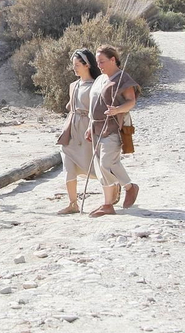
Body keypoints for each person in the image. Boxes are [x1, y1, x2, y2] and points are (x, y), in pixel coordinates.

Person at [86, 45, 140, 216]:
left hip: (113, 127)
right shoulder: (100, 79)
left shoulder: (123, 78)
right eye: (97, 62)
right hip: (96, 127)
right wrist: (89, 126)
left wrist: (117, 110)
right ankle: (107, 204)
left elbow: (131, 102)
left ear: (113, 59)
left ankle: (129, 187)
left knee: (107, 163)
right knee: (100, 167)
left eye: (102, 61)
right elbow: (93, 105)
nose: (99, 65)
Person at [55, 48, 100, 214]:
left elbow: (97, 108)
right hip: (71, 128)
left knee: (94, 164)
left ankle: (114, 187)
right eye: (73, 65)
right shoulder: (73, 85)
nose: (74, 68)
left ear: (86, 65)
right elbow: (70, 105)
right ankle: (73, 203)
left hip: (88, 128)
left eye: (77, 65)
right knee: (68, 164)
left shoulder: (97, 85)